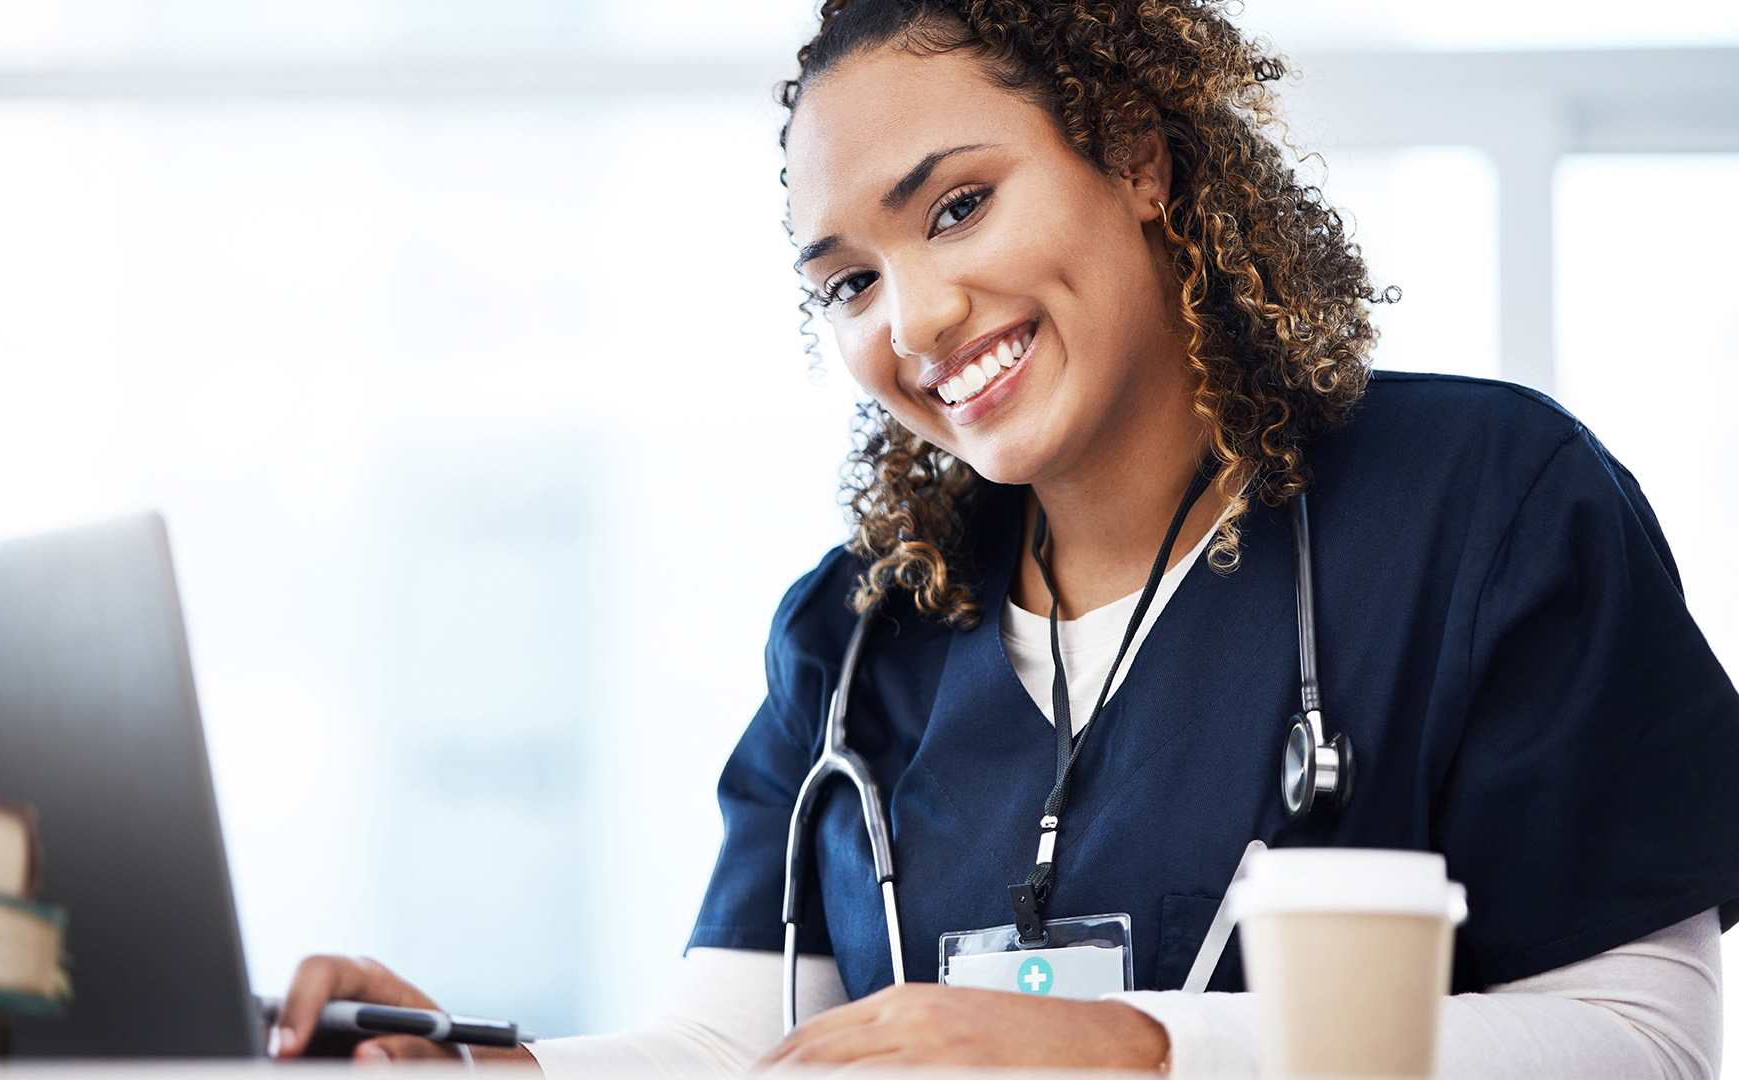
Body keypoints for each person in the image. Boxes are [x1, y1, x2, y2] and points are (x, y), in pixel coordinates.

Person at [272, 1, 1739, 1074]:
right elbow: (736, 1045)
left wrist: (1129, 1049)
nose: (912, 322)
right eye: (846, 284)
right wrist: (488, 1070)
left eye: (958, 207)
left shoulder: (1486, 505)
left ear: (1142, 159)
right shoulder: (857, 635)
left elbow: (1641, 1044)